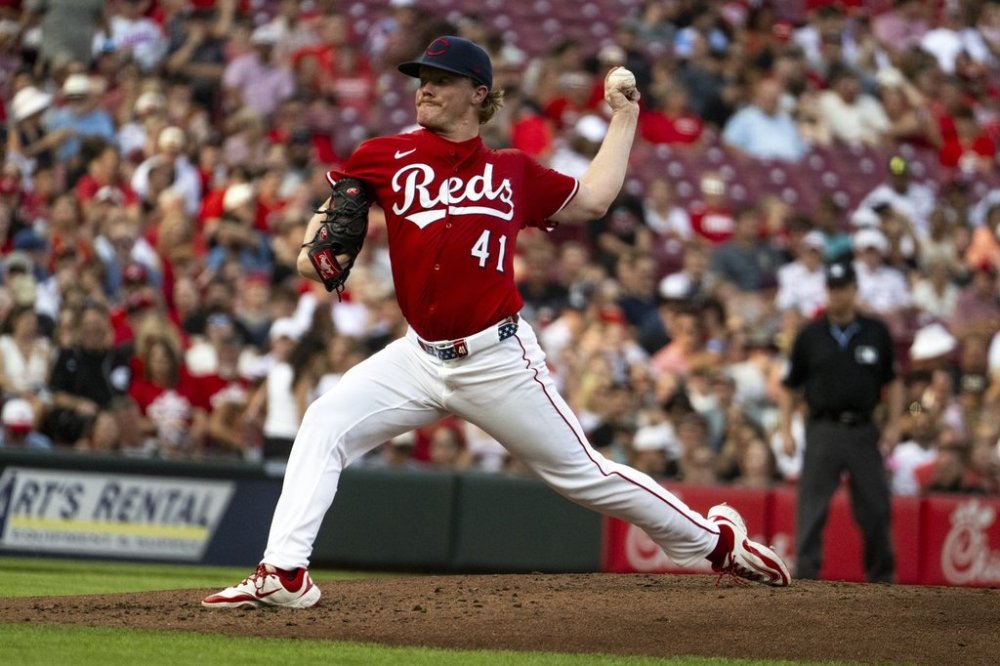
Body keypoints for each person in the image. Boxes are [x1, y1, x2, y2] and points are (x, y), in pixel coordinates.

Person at [203, 35, 789, 610]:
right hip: (417, 357)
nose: (424, 90)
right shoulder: (383, 156)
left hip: (496, 358)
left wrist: (625, 117)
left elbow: (593, 200)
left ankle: (718, 545)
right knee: (325, 422)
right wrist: (314, 247)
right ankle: (284, 572)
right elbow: (315, 257)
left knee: (585, 476)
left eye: (440, 81)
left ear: (479, 94)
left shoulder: (512, 171)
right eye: (421, 81)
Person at [779, 261, 902, 583]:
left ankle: (881, 579)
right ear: (827, 291)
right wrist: (785, 430)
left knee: (876, 508)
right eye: (832, 289)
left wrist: (894, 425)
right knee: (812, 508)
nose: (837, 295)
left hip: (864, 429)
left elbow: (895, 381)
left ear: (854, 290)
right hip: (822, 428)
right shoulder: (811, 334)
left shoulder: (875, 332)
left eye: (843, 288)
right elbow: (791, 386)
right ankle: (805, 576)